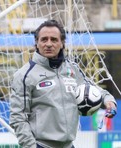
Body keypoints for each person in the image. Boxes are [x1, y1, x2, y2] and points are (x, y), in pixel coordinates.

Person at [9, 20, 117, 148]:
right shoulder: (24, 75)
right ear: (37, 43)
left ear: (62, 43)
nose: (48, 44)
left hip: (69, 145)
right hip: (41, 145)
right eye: (44, 39)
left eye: (54, 40)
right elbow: (18, 117)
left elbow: (93, 89)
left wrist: (109, 101)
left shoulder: (72, 69)